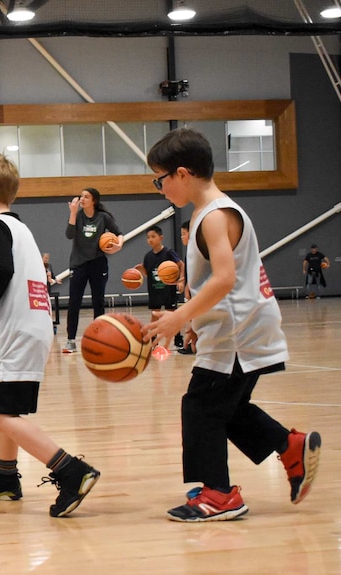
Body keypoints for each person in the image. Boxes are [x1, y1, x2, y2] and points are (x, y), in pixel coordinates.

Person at [144, 127, 321, 522]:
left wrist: (179, 317)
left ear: (183, 174)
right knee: (226, 406)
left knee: (201, 407)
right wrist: (196, 321)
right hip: (240, 326)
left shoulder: (214, 217)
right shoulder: (214, 211)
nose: (160, 187)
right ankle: (289, 446)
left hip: (238, 333)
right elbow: (221, 280)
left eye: (161, 178)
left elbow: (224, 278)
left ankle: (218, 495)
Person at [0, 154, 100, 518]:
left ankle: (71, 470)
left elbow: (1, 273)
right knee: (5, 408)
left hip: (16, 331)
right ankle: (4, 478)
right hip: (33, 327)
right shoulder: (17, 227)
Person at [62, 188, 123, 353]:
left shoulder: (103, 217)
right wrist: (73, 213)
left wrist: (119, 245)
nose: (82, 199)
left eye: (86, 196)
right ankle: (70, 340)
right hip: (79, 264)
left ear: (94, 200)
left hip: (98, 263)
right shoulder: (78, 215)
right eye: (81, 196)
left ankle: (99, 339)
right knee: (74, 302)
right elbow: (69, 235)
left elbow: (119, 233)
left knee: (98, 302)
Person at [134, 225, 184, 348]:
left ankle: (178, 339)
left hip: (168, 289)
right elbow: (149, 275)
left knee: (172, 314)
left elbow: (181, 264)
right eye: (148, 237)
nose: (150, 239)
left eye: (153, 236)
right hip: (154, 289)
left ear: (160, 237)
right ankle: (153, 341)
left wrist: (181, 280)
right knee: (154, 315)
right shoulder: (148, 256)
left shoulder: (168, 252)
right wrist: (142, 270)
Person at [177, 220, 195, 354]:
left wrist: (188, 286)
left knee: (194, 319)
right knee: (192, 318)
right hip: (193, 290)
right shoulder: (189, 250)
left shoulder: (195, 251)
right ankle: (190, 343)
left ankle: (191, 344)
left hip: (197, 291)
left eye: (184, 233)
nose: (181, 237)